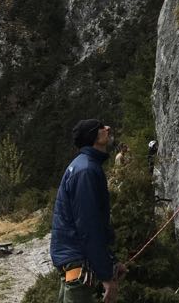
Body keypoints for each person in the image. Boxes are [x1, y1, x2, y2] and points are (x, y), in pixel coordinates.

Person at [50, 119, 125, 303]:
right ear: (93, 137)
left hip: (73, 259)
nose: (107, 128)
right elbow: (89, 227)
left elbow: (93, 224)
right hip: (78, 260)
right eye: (101, 127)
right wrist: (107, 276)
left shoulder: (84, 165)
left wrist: (111, 262)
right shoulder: (86, 171)